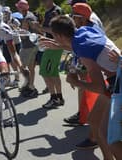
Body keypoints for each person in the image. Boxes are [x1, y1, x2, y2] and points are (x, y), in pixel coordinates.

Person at [44, 15, 122, 160]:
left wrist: (76, 82)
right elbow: (77, 46)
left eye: (54, 36)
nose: (53, 38)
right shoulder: (84, 31)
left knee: (110, 138)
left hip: (117, 83)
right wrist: (58, 45)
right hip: (115, 79)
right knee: (93, 120)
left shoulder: (83, 49)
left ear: (60, 36)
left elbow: (99, 87)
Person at [63, 0, 104, 126]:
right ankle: (84, 114)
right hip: (93, 60)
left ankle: (85, 115)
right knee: (85, 87)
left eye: (73, 13)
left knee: (89, 88)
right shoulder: (88, 19)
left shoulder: (90, 22)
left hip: (95, 61)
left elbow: (84, 47)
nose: (71, 16)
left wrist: (74, 73)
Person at [38, 0, 65, 109]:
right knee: (52, 72)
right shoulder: (49, 11)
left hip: (54, 46)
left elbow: (57, 30)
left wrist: (40, 27)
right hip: (51, 44)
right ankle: (58, 97)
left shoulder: (55, 11)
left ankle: (54, 98)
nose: (43, 2)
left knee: (45, 71)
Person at [19, 14, 39, 98]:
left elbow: (23, 37)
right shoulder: (31, 16)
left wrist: (20, 31)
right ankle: (30, 85)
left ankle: (29, 85)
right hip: (33, 46)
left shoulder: (27, 18)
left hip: (28, 47)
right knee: (31, 68)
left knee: (22, 67)